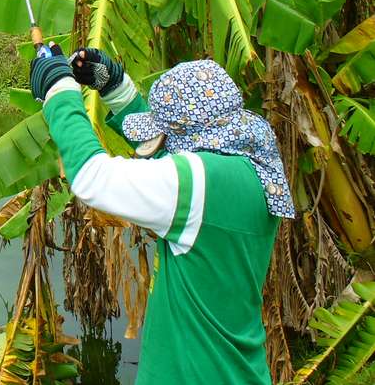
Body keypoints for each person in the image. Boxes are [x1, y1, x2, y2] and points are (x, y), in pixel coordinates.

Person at [29, 45, 295, 385]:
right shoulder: (246, 171)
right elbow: (167, 151)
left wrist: (60, 93)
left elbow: (94, 178)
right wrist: (115, 87)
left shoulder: (201, 182)